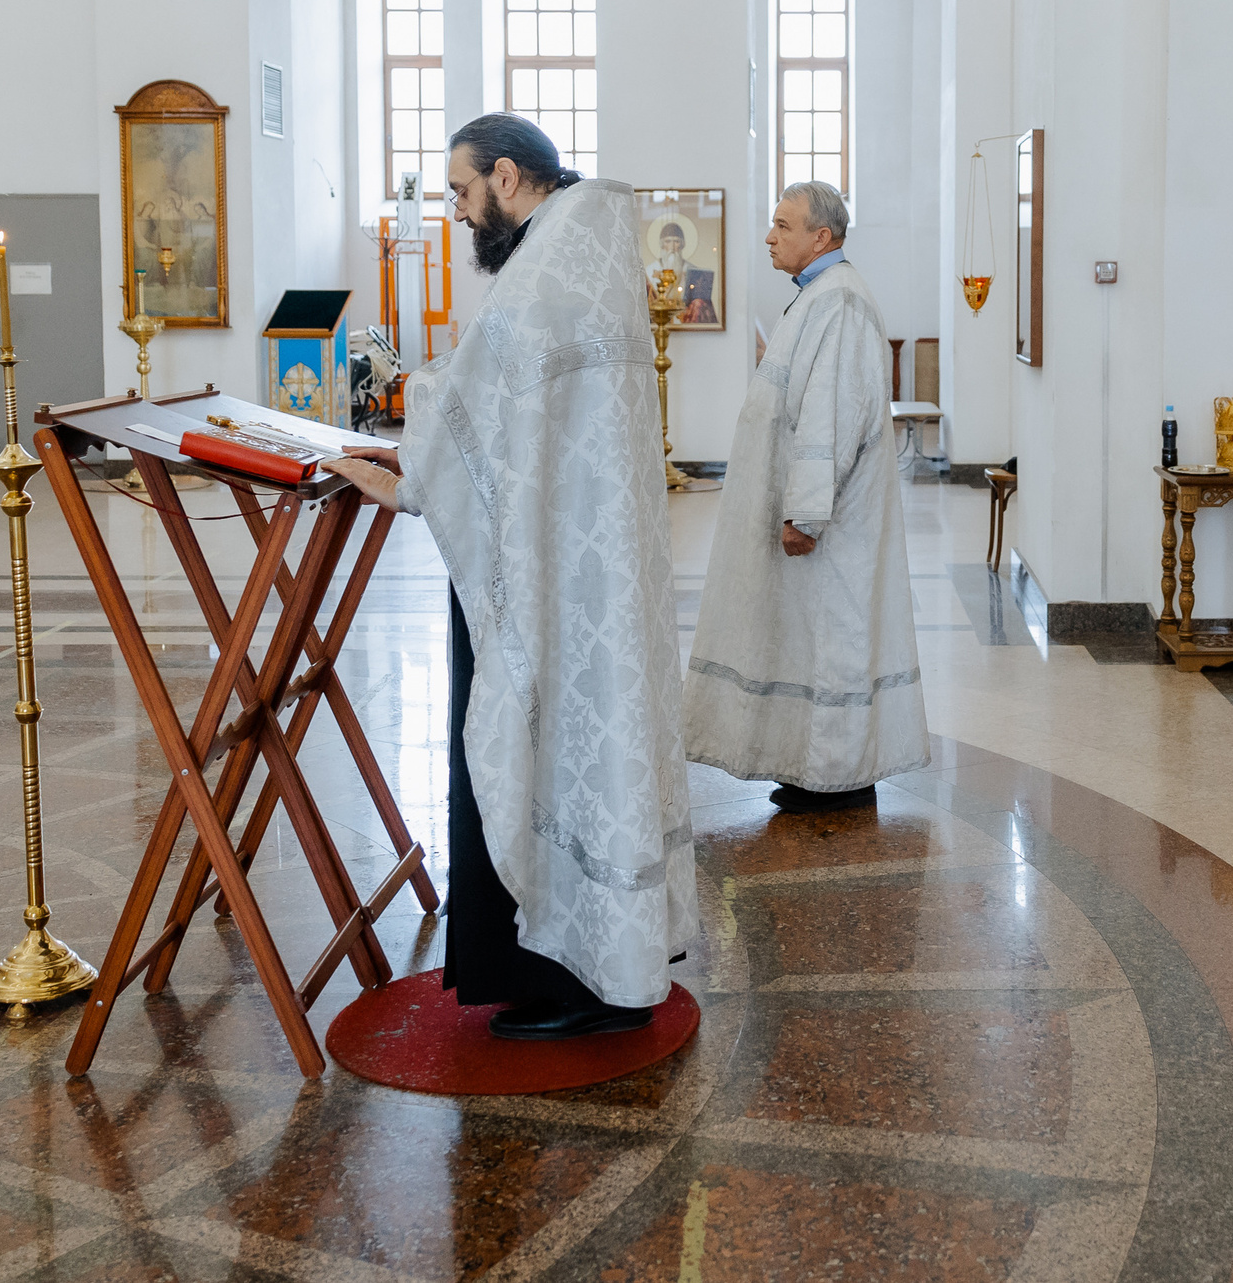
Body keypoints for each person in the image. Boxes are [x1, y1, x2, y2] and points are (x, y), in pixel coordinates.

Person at [323, 115, 696, 1040]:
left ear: (505, 174)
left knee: (556, 746)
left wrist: (411, 463)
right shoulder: (574, 250)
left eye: (459, 192)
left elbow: (483, 392)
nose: (455, 212)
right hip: (566, 564)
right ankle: (583, 960)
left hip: (556, 580)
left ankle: (585, 980)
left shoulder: (551, 270)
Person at [684, 181, 929, 812]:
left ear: (821, 236)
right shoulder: (816, 297)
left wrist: (807, 512)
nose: (770, 236)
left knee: (833, 642)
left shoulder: (840, 303)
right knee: (804, 639)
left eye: (783, 225)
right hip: (814, 518)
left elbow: (832, 418)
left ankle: (839, 776)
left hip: (831, 526)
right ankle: (806, 766)